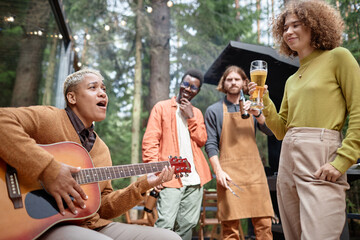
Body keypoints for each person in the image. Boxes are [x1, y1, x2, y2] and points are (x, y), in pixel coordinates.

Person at [0, 68, 181, 240]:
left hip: (91, 225)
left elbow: (103, 207)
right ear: (72, 97)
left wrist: (142, 185)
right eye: (93, 87)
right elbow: (2, 121)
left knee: (170, 237)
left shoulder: (102, 149)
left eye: (103, 89)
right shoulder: (50, 118)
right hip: (44, 223)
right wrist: (48, 169)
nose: (102, 93)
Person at [250, 0, 360, 239]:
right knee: (294, 234)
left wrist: (343, 161)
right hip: (288, 156)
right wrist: (265, 100)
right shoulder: (293, 79)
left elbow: (359, 110)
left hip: (320, 153)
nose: (288, 31)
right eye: (285, 28)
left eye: (296, 25)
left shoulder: (338, 58)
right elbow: (281, 131)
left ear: (314, 25)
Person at [205, 65, 274, 240]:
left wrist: (257, 113)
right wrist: (218, 171)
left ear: (244, 82)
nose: (233, 82)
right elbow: (211, 144)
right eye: (229, 79)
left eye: (237, 79)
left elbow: (270, 130)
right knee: (230, 229)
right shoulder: (214, 110)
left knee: (264, 225)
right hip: (229, 173)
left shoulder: (254, 105)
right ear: (224, 83)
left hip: (254, 172)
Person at [142, 69, 212, 240]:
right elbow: (150, 141)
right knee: (165, 223)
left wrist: (191, 117)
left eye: (193, 87)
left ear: (197, 91)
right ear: (180, 84)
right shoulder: (162, 108)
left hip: (195, 178)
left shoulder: (197, 113)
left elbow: (202, 140)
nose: (188, 89)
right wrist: (154, 173)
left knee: (188, 224)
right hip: (170, 177)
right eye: (186, 84)